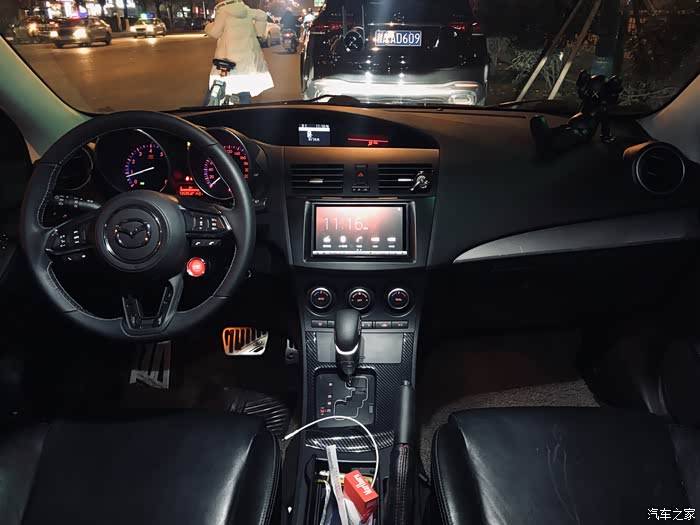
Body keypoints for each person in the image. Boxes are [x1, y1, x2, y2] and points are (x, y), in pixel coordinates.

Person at [205, 0, 274, 104]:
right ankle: (244, 110)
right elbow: (262, 15)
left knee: (222, 86)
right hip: (248, 57)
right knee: (244, 88)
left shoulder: (222, 11)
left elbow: (215, 33)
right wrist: (258, 33)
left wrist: (208, 26)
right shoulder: (246, 10)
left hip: (228, 57)